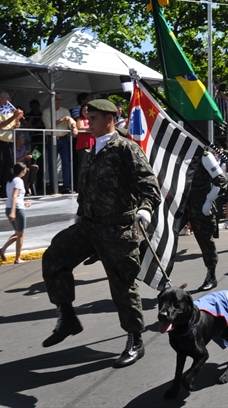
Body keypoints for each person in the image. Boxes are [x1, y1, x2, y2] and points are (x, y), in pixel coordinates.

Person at [41, 99, 161, 369]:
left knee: (122, 286)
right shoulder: (92, 150)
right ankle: (68, 316)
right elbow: (87, 190)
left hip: (118, 229)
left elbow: (149, 186)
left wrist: (145, 210)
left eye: (93, 118)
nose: (88, 123)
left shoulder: (126, 149)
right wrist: (81, 212)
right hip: (89, 225)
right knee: (54, 257)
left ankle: (135, 339)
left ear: (109, 119)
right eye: (87, 118)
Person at [180, 151, 228, 291]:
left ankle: (211, 276)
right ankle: (165, 279)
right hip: (183, 205)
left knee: (206, 243)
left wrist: (209, 200)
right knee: (168, 238)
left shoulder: (204, 156)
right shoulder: (181, 152)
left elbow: (221, 180)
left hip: (201, 206)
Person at [0, 90, 23, 198]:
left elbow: (15, 125)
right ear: (1, 99)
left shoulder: (10, 111)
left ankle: (4, 189)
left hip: (9, 142)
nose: (10, 101)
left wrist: (17, 119)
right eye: (8, 98)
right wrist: (14, 116)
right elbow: (1, 125)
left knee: (8, 167)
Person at [42, 93, 77, 194]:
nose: (59, 101)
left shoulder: (65, 111)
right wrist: (62, 120)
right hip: (52, 138)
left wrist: (74, 127)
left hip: (63, 139)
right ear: (52, 100)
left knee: (66, 163)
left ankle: (66, 186)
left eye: (60, 99)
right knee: (52, 164)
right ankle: (54, 187)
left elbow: (71, 121)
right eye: (57, 99)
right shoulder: (46, 111)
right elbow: (48, 126)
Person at [0, 163, 33, 263]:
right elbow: (14, 196)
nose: (26, 171)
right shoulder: (18, 181)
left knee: (17, 233)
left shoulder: (10, 181)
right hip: (16, 209)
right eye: (25, 169)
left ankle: (3, 249)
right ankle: (17, 258)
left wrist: (24, 203)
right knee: (21, 234)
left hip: (10, 207)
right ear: (22, 171)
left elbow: (15, 197)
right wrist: (13, 212)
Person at [75, 103, 96, 175]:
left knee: (93, 164)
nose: (86, 112)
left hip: (93, 143)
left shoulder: (93, 119)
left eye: (88, 110)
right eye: (84, 111)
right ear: (81, 111)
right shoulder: (80, 119)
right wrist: (91, 127)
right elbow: (80, 127)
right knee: (83, 164)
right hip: (83, 144)